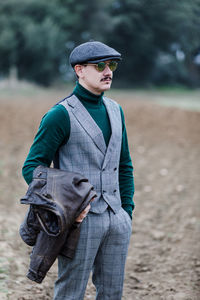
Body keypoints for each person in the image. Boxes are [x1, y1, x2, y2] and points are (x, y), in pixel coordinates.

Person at [22, 41, 135, 300]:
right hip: (79, 223)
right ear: (80, 70)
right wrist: (64, 206)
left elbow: (125, 164)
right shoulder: (60, 115)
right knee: (71, 292)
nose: (108, 71)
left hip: (116, 217)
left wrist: (126, 212)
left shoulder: (116, 111)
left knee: (112, 293)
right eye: (100, 66)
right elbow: (32, 167)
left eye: (112, 65)